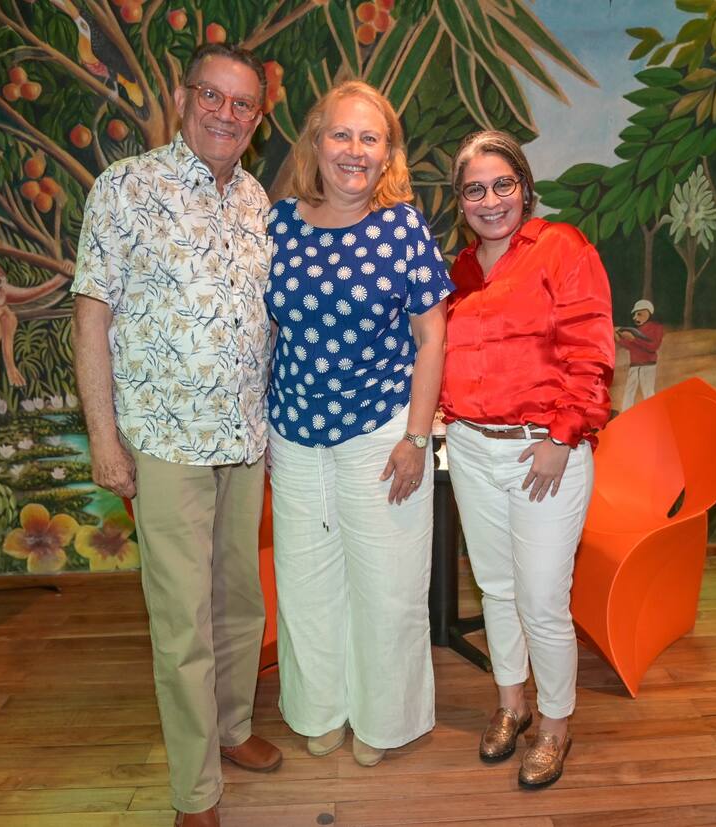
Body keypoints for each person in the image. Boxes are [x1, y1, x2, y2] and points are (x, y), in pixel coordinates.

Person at [71, 43, 281, 827]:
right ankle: (196, 791)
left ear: (257, 119)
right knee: (183, 620)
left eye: (242, 103)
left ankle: (232, 727)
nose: (225, 113)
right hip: (164, 440)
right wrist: (104, 438)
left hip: (244, 439)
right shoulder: (125, 188)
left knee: (241, 602)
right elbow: (91, 319)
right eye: (212, 95)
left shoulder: (257, 200)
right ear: (185, 95)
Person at [265, 80, 454, 767]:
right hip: (293, 434)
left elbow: (432, 337)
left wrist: (416, 437)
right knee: (306, 584)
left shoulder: (403, 228)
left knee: (388, 586)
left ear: (387, 153)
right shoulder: (277, 224)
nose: (354, 150)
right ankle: (320, 709)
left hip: (382, 432)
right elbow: (265, 332)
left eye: (369, 138)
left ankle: (385, 719)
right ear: (316, 144)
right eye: (341, 134)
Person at [440, 130, 614, 788]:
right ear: (460, 201)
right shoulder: (459, 271)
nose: (490, 201)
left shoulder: (561, 248)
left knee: (541, 598)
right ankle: (511, 704)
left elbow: (591, 350)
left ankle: (556, 724)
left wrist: (561, 437)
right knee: (496, 587)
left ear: (525, 187)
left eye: (502, 185)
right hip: (471, 448)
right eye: (474, 190)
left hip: (544, 449)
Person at [616, 298, 664, 410]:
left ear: (648, 313)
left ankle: (653, 415)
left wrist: (633, 339)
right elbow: (630, 345)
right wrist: (618, 338)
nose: (635, 318)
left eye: (639, 314)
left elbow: (653, 347)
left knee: (648, 392)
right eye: (634, 315)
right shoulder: (637, 330)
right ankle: (625, 415)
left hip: (648, 366)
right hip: (634, 366)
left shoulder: (657, 328)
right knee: (629, 392)